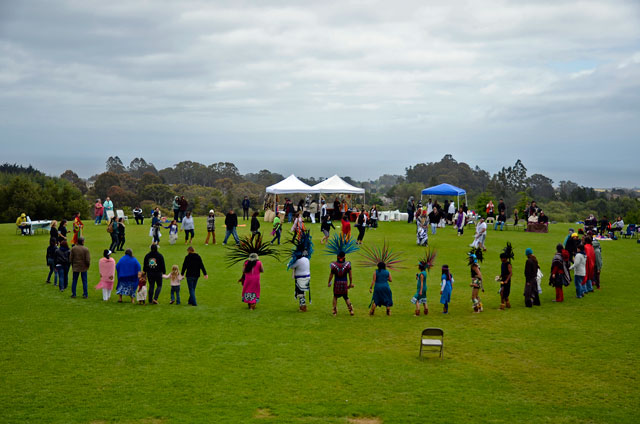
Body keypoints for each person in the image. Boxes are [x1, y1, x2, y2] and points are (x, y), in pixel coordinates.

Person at [497, 244, 514, 309]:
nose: (501, 259)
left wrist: (507, 280)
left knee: (502, 292)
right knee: (504, 293)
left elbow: (510, 273)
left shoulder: (508, 264)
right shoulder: (502, 263)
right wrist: (499, 276)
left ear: (504, 258)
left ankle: (502, 305)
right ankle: (507, 304)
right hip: (502, 280)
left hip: (506, 280)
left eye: (501, 258)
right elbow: (503, 272)